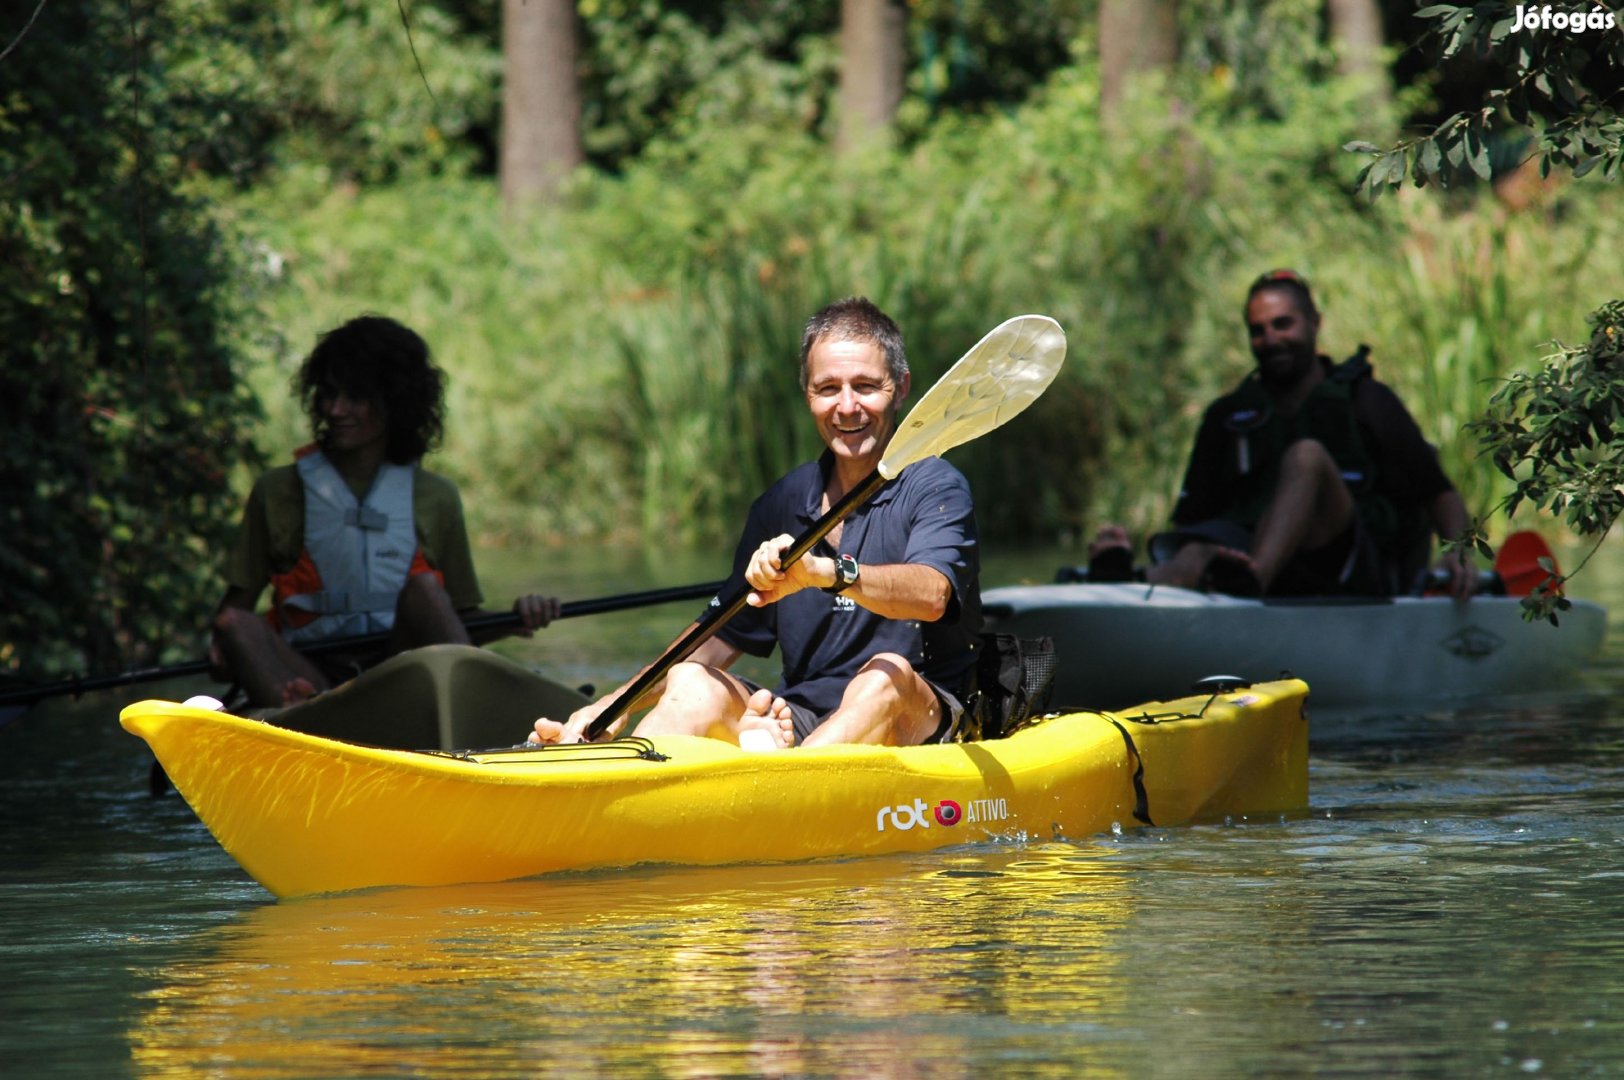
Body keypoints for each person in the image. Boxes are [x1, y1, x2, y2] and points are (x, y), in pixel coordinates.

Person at [530, 296, 981, 749]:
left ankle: (787, 782)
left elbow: (933, 595)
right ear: (808, 393)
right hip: (805, 717)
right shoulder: (782, 503)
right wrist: (617, 703)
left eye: (865, 386)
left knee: (884, 674)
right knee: (690, 681)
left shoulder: (936, 484)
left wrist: (829, 574)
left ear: (901, 388)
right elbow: (719, 635)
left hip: (920, 713)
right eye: (828, 389)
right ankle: (610, 778)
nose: (847, 407)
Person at [210, 315, 560, 707]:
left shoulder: (436, 497)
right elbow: (233, 617)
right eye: (328, 394)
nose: (336, 410)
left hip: (402, 672)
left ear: (395, 401)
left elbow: (454, 623)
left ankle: (475, 708)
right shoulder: (276, 492)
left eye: (355, 397)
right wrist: (229, 653)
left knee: (425, 590)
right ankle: (299, 710)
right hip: (308, 672)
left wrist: (515, 618)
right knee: (234, 624)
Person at [1089, 269, 1473, 599]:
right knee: (1195, 551)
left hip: (1345, 568)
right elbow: (1193, 520)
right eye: (1258, 331)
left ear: (1314, 323)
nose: (1271, 339)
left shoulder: (1367, 401)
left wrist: (1459, 553)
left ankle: (1252, 579)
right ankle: (1126, 583)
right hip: (1251, 559)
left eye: (1282, 324)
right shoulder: (1226, 416)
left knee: (1305, 455)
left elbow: (1437, 492)